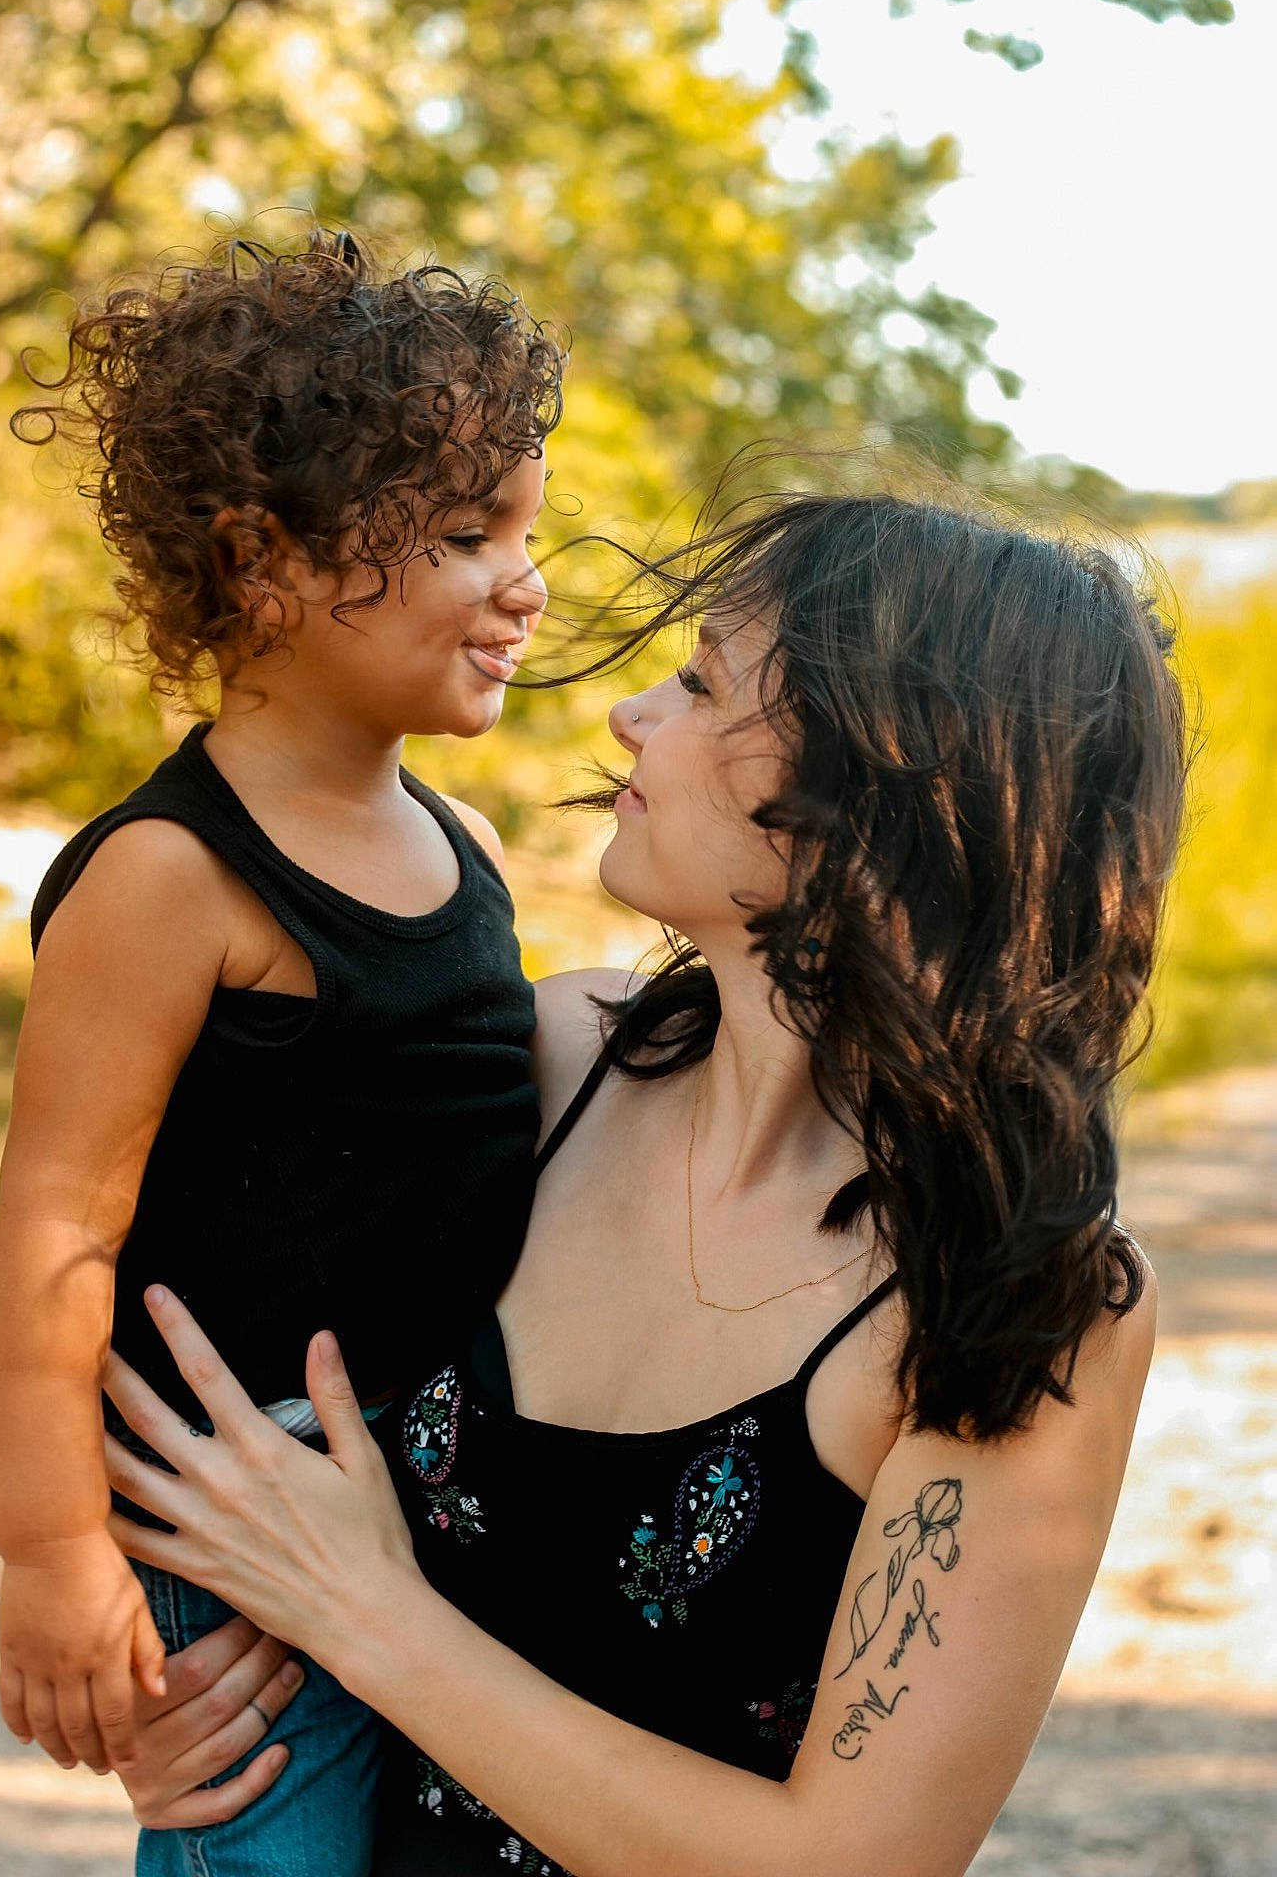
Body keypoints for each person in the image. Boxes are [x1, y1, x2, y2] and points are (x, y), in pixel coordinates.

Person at [99, 487, 1183, 1876]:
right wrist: (185, 1706)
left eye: (702, 683)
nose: (630, 716)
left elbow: (846, 1864)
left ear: (880, 789)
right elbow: (222, 1409)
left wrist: (366, 1616)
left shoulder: (1028, 1299)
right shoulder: (544, 1062)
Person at [0, 227, 563, 1876]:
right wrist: (52, 1553)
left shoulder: (468, 847)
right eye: (467, 536)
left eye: (525, 533)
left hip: (437, 1497)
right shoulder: (172, 877)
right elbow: (55, 1227)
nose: (526, 583)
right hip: (240, 1521)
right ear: (264, 560)